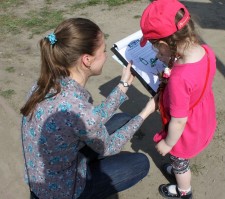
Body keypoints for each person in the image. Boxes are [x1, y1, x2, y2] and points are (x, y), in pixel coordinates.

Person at [20, 17, 158, 199]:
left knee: (122, 120)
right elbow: (108, 146)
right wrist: (146, 111)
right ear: (87, 60)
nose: (106, 55)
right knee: (140, 163)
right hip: (63, 191)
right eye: (104, 50)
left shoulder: (44, 84)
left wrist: (122, 86)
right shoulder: (78, 108)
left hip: (43, 174)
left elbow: (85, 121)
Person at [140, 0, 217, 198]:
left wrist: (168, 143)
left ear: (165, 44)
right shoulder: (206, 51)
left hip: (185, 131)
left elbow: (179, 120)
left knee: (179, 161)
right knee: (178, 163)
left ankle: (184, 191)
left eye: (157, 49)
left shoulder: (179, 79)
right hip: (202, 116)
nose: (157, 54)